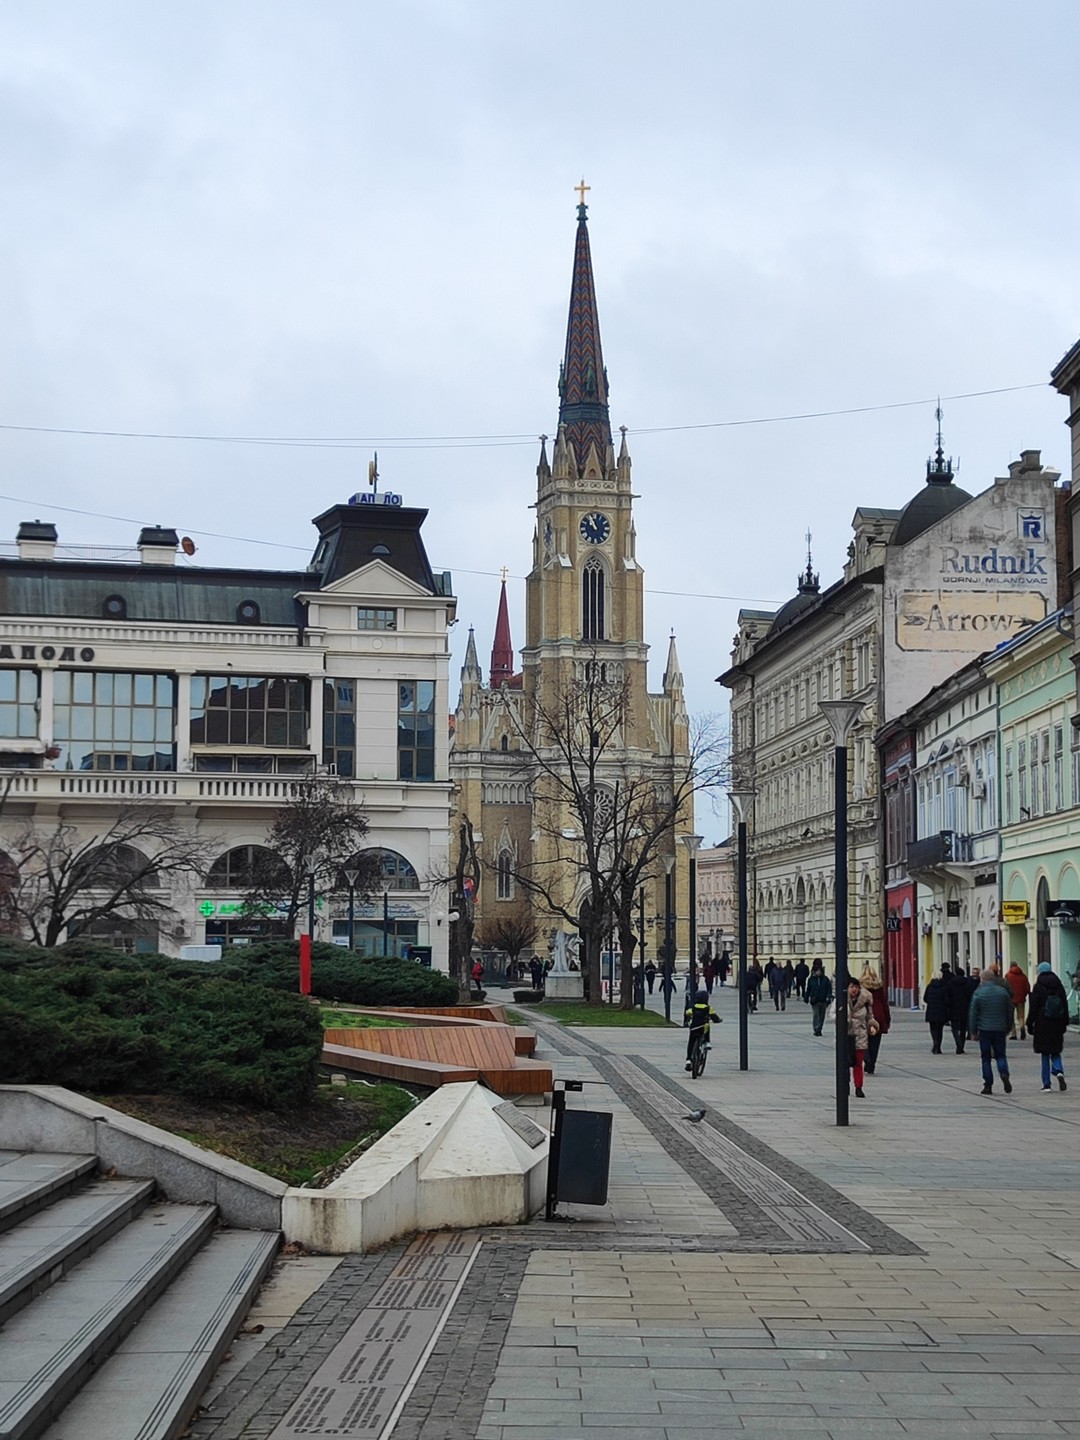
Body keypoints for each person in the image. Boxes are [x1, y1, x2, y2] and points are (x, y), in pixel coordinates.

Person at [968, 967, 1013, 1095]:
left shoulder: (979, 993)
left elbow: (973, 1014)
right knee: (1000, 1055)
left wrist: (973, 1031)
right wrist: (1008, 1027)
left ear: (983, 979)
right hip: (1000, 1029)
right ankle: (1004, 1073)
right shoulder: (1003, 992)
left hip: (985, 1029)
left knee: (986, 1058)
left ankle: (988, 1085)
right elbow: (1009, 1011)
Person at [1028, 960, 1069, 1092]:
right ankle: (1058, 1070)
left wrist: (1030, 1023)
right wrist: (1065, 1022)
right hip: (1057, 1023)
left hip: (1043, 1023)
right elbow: (1065, 1004)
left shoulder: (1038, 986)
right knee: (1056, 1051)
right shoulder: (1059, 985)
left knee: (1045, 1054)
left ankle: (1046, 1084)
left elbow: (1034, 1007)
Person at [842, 976, 876, 1097]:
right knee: (844, 1064)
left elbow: (870, 1017)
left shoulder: (865, 1001)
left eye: (856, 987)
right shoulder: (842, 999)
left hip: (860, 1035)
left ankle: (858, 1087)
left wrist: (873, 1026)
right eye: (852, 987)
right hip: (845, 1036)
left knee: (858, 1063)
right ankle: (844, 1085)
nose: (854, 989)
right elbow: (833, 1014)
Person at [861, 966, 891, 1074]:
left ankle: (867, 1057)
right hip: (878, 1017)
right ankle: (871, 1064)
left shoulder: (861, 988)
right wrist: (887, 1019)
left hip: (865, 1017)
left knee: (863, 1040)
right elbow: (884, 1004)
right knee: (875, 1041)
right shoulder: (879, 987)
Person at [684, 987, 720, 1070]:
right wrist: (718, 1020)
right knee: (707, 1026)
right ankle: (707, 1041)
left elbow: (687, 1013)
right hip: (703, 1028)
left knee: (691, 1043)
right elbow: (714, 1017)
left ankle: (688, 1059)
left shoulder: (693, 1007)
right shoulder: (708, 1008)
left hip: (693, 1028)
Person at [923, 965, 952, 1054]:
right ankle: (938, 1046)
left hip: (931, 1011)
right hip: (941, 1011)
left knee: (933, 1028)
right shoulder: (944, 986)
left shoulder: (929, 986)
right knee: (940, 1029)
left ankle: (934, 1041)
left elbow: (925, 998)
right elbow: (947, 1000)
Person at [947, 965, 974, 1054]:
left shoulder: (950, 983)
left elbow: (948, 997)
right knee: (963, 1028)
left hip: (953, 1008)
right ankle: (961, 1046)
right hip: (965, 1008)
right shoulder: (968, 983)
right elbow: (971, 996)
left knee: (954, 1028)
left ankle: (958, 1042)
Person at [805, 958, 832, 1036]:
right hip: (815, 1000)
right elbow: (809, 989)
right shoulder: (811, 979)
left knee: (822, 1015)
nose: (819, 972)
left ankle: (820, 1028)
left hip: (823, 1000)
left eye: (820, 971)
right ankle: (816, 1028)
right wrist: (807, 997)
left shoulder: (825, 979)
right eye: (817, 971)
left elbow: (828, 989)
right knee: (816, 1014)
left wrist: (828, 996)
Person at [1005, 961, 1031, 1039]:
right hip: (1021, 999)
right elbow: (1027, 987)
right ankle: (1022, 1027)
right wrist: (1024, 995)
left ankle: (1014, 1034)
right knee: (1021, 1016)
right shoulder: (1023, 976)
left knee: (1011, 1016)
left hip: (1011, 999)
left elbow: (1005, 987)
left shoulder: (1008, 976)